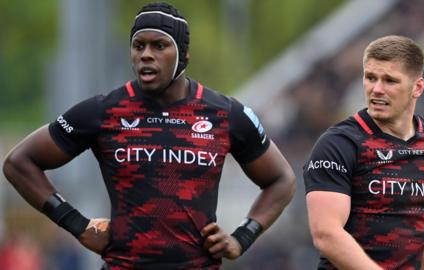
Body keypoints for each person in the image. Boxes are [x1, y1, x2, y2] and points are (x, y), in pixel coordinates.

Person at [2, 2, 296, 269]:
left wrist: (242, 237)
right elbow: (19, 163)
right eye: (138, 45)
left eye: (159, 45)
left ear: (183, 54)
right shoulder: (105, 110)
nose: (146, 55)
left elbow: (281, 180)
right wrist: (77, 224)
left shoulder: (225, 113)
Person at [303, 35, 424, 270]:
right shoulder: (339, 144)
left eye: (390, 81)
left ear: (417, 87)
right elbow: (326, 235)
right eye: (371, 78)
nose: (377, 89)